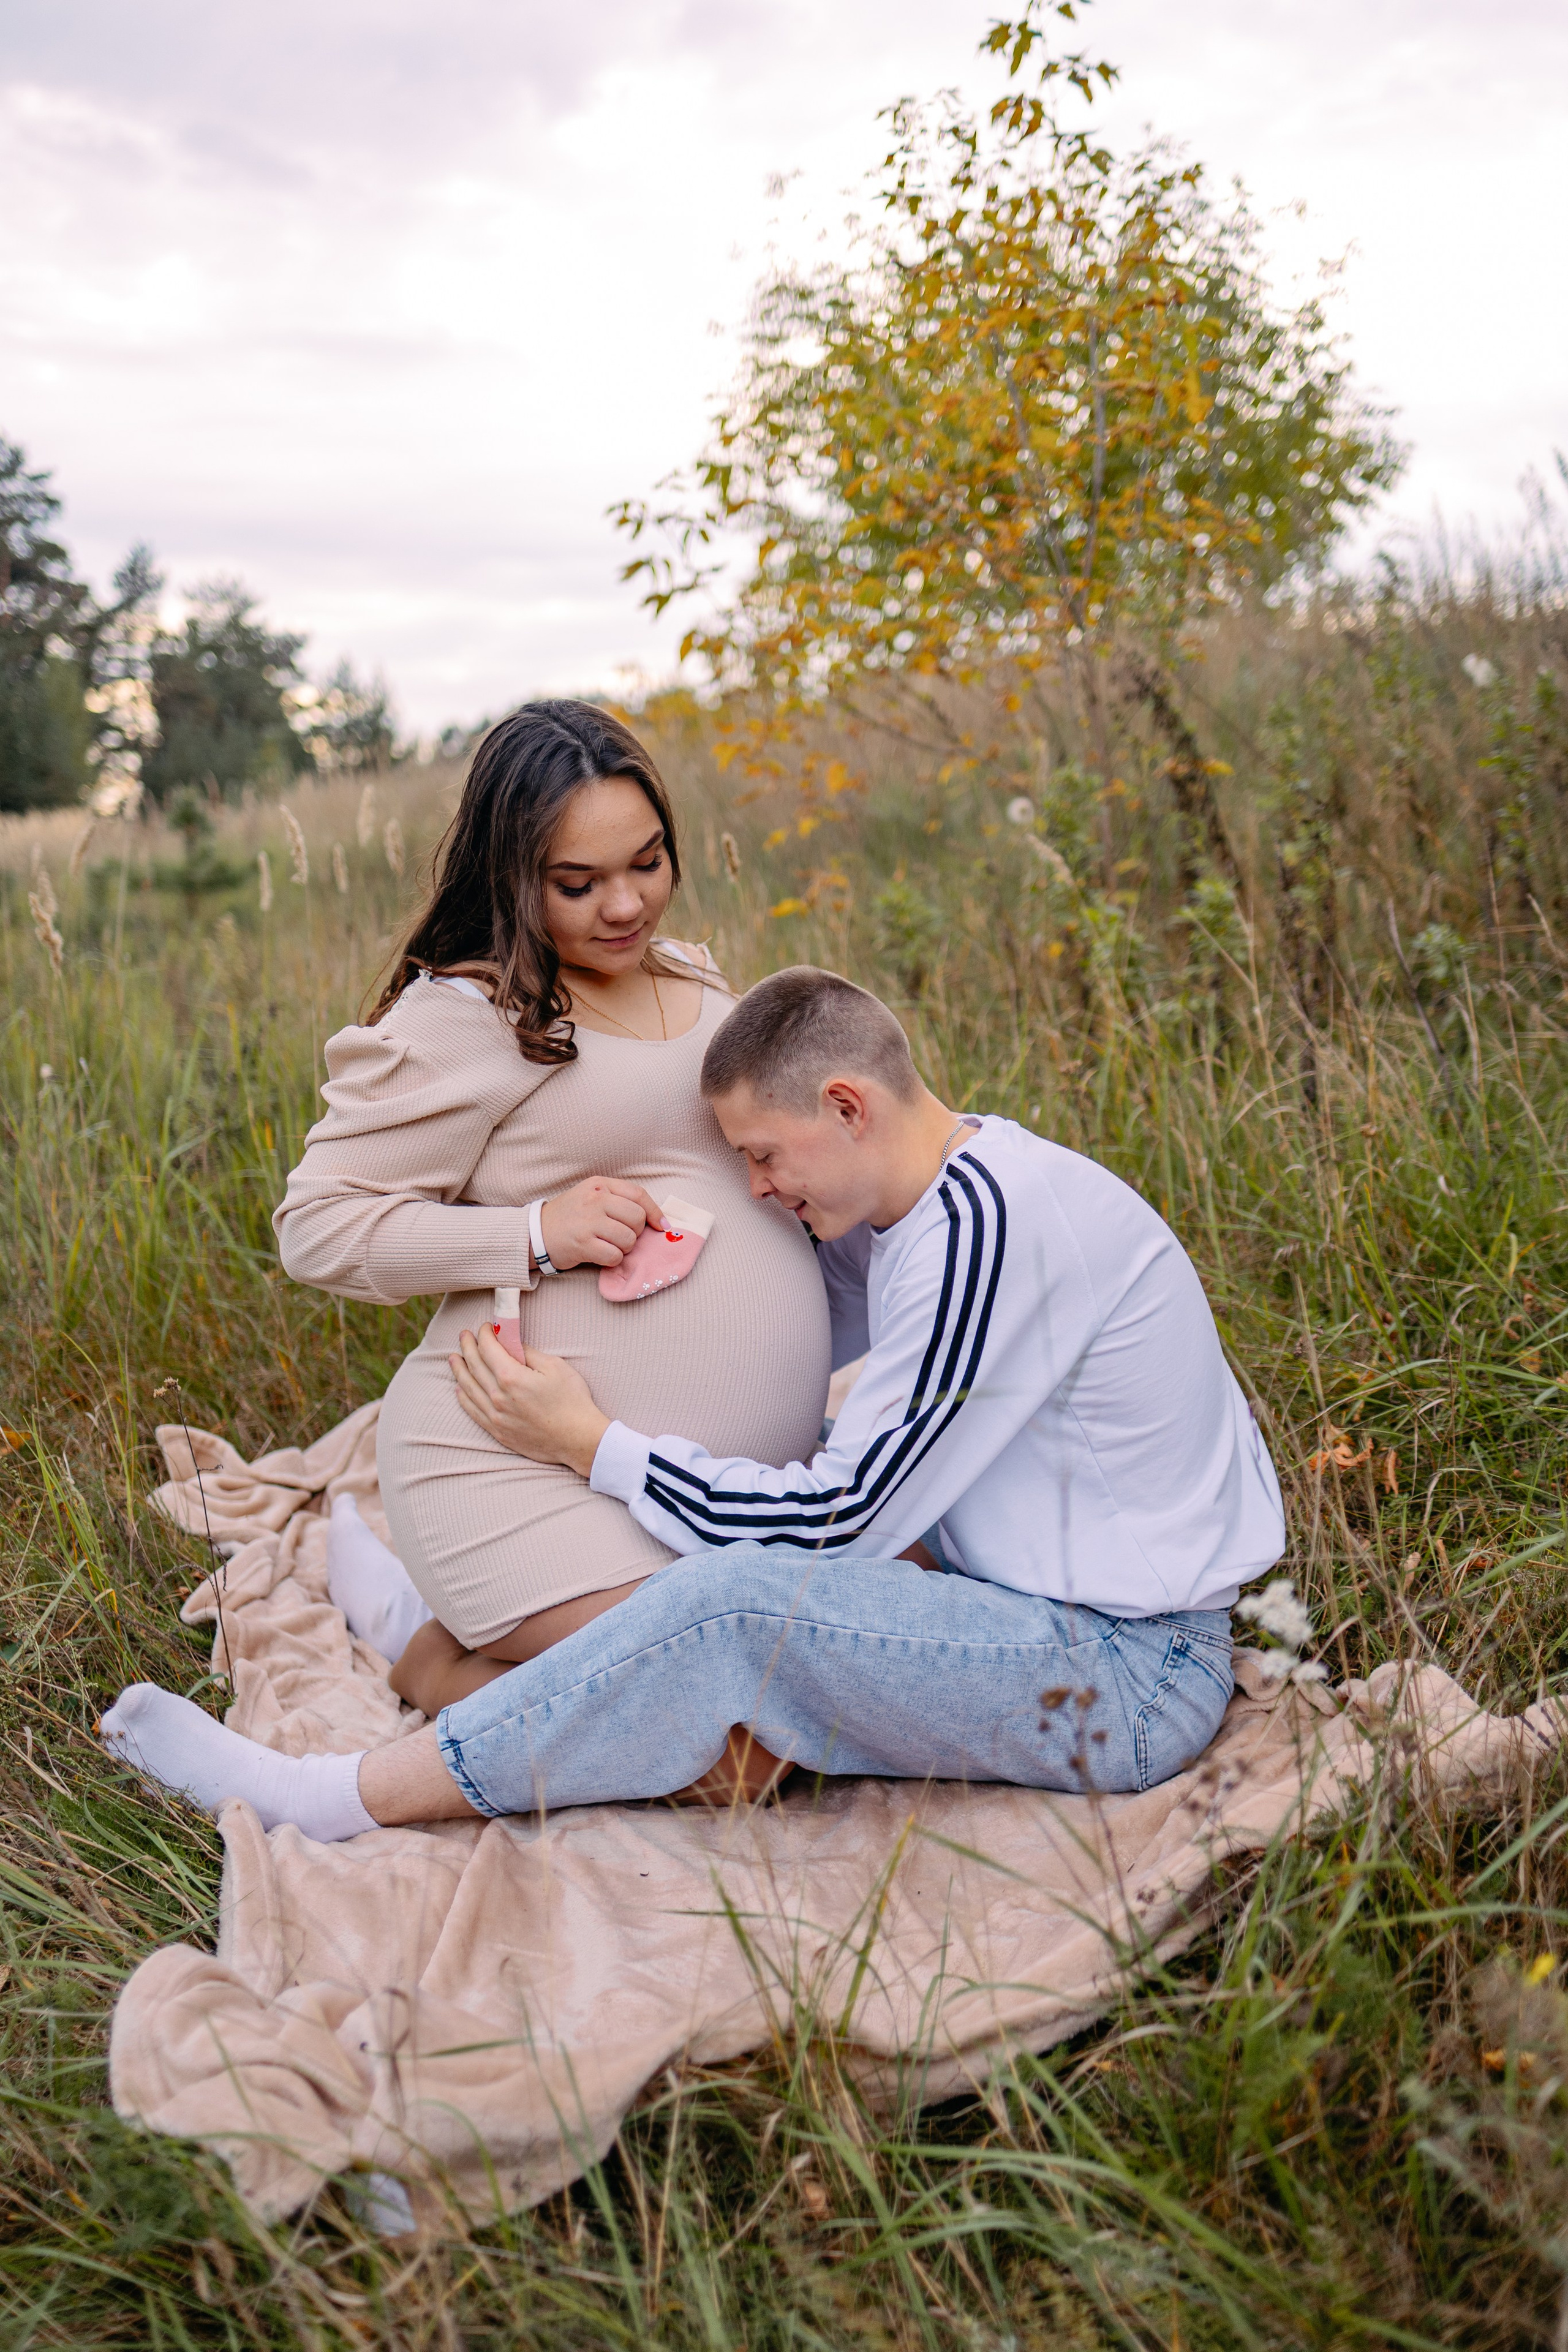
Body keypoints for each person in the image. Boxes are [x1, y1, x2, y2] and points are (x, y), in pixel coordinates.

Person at [101, 967, 1286, 1838]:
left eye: (764, 1159)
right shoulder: (934, 1207)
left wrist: (595, 1445)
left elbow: (834, 1526)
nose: (760, 1191)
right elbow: (823, 1322)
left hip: (1125, 1677)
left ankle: (330, 1799)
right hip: (1027, 1597)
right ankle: (418, 1629)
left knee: (720, 1617)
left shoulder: (985, 1231)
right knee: (716, 1693)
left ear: (848, 1105)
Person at [268, 700, 831, 1727]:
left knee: (798, 1709)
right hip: (515, 1471)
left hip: (696, 1482)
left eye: (648, 862)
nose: (625, 906)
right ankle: (421, 1655)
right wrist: (531, 1233)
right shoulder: (470, 1017)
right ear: (512, 879)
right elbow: (319, 1229)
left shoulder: (694, 979)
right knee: (729, 1745)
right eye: (577, 884)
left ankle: (444, 1637)